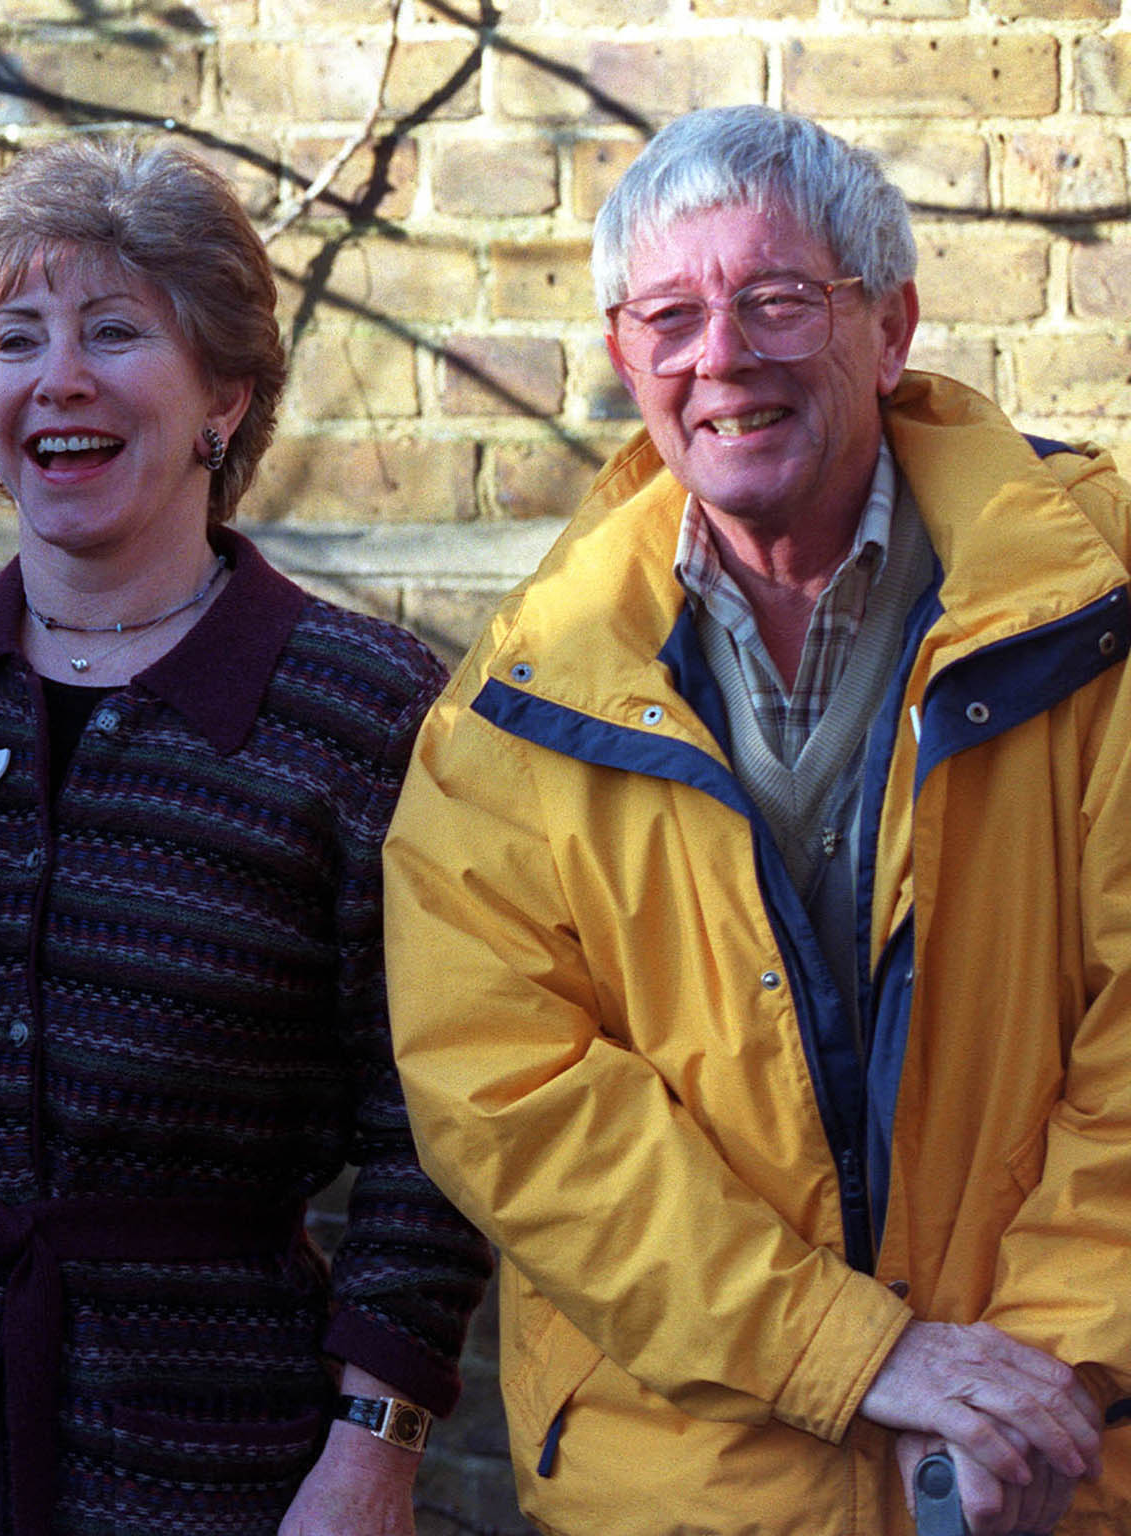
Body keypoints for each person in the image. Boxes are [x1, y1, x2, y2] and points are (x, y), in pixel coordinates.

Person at [0, 136, 491, 1536]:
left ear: (223, 400)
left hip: (203, 1447)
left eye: (116, 332)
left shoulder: (358, 709)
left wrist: (375, 1442)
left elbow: (430, 1127)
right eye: (18, 339)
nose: (58, 376)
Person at [385, 103, 1131, 1536]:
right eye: (668, 315)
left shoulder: (1093, 613)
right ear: (623, 361)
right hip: (692, 1489)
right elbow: (508, 1096)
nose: (721, 355)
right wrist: (859, 1358)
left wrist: (1033, 1391)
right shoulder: (517, 704)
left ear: (891, 325)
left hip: (1056, 1472)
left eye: (778, 300)